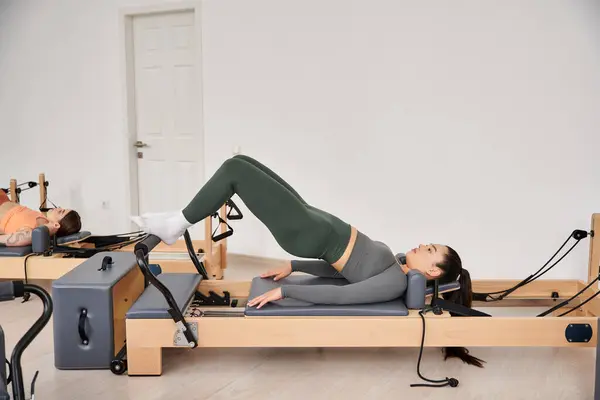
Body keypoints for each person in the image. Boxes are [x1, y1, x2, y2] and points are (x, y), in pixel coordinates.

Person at [132, 154, 483, 367]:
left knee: (233, 171)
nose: (424, 244)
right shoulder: (399, 263)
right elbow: (343, 273)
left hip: (308, 232)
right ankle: (177, 219)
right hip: (316, 223)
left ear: (433, 271)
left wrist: (288, 293)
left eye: (431, 249)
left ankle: (175, 225)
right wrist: (294, 267)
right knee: (244, 163)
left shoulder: (395, 281)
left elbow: (344, 296)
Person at [0, 189, 82, 247]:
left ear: (57, 224)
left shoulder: (34, 231)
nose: (59, 207)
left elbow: (20, 238)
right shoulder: (42, 219)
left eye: (61, 211)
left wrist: (48, 229)